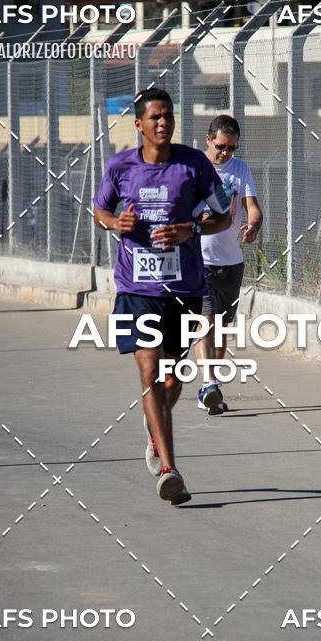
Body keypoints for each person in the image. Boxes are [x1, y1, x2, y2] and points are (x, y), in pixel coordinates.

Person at [93, 89, 231, 506]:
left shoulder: (195, 165)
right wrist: (116, 222)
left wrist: (191, 230)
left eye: (167, 116)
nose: (162, 123)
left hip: (184, 289)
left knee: (172, 381)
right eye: (154, 117)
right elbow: (98, 211)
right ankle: (171, 471)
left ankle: (155, 434)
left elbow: (224, 215)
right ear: (138, 124)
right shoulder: (120, 167)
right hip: (136, 290)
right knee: (149, 368)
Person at [194, 115, 263, 414]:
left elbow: (254, 209)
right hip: (199, 259)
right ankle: (208, 382)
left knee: (222, 329)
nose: (225, 153)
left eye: (231, 148)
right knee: (205, 323)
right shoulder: (193, 168)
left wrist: (253, 226)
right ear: (208, 139)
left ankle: (212, 388)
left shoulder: (241, 169)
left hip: (232, 262)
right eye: (221, 146)